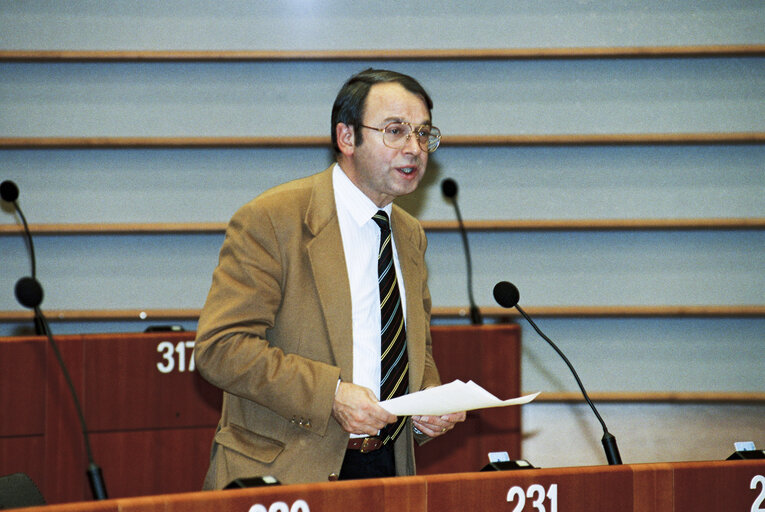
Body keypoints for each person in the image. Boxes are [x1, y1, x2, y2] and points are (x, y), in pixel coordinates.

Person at [194, 68, 465, 488]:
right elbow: (221, 348)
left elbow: (414, 348)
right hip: (287, 470)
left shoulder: (409, 235)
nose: (414, 148)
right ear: (347, 138)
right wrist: (331, 395)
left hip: (388, 469)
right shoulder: (274, 219)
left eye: (423, 133)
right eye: (395, 131)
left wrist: (427, 404)